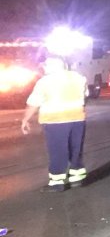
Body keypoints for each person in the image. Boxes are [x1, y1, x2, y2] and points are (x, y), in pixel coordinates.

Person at [21, 56, 89, 191]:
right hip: (77, 119)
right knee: (75, 150)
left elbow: (34, 103)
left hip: (55, 121)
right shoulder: (79, 78)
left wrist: (25, 119)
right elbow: (85, 95)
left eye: (45, 66)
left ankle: (57, 183)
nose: (44, 68)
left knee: (58, 151)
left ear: (51, 66)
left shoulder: (45, 82)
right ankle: (76, 179)